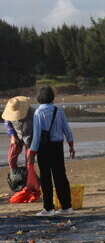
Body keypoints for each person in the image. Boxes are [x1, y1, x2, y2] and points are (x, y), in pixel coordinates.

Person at [26, 86, 75, 216]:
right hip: (58, 146)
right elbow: (67, 130)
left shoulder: (38, 113)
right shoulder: (59, 111)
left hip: (44, 147)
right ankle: (67, 206)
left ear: (40, 97)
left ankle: (49, 208)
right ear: (52, 97)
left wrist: (32, 152)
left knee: (46, 177)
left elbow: (36, 136)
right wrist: (71, 146)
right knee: (60, 175)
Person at [4, 96, 39, 195]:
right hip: (17, 137)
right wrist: (12, 136)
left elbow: (38, 126)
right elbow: (7, 123)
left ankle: (30, 183)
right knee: (11, 158)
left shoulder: (33, 112)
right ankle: (16, 180)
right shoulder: (10, 113)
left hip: (30, 137)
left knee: (29, 161)